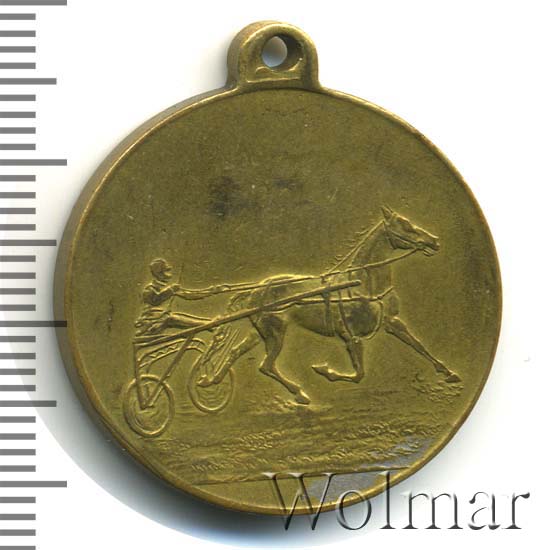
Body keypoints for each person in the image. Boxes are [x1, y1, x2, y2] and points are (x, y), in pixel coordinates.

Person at [135, 258, 226, 336]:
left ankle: (210, 324)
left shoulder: (169, 288)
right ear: (159, 273)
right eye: (166, 271)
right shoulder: (149, 289)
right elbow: (156, 300)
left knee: (177, 316)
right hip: (150, 323)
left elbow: (190, 295)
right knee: (172, 318)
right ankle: (209, 325)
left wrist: (212, 291)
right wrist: (170, 291)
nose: (169, 273)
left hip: (163, 319)